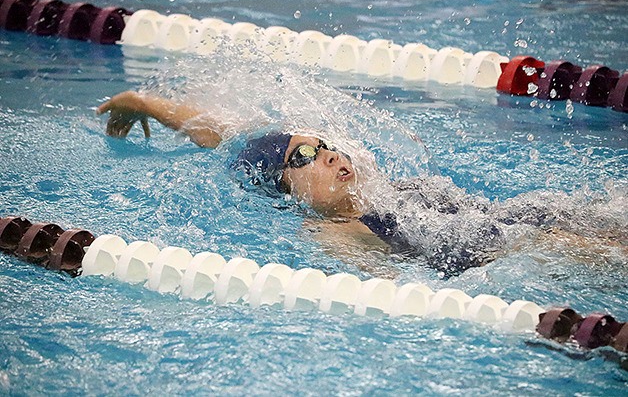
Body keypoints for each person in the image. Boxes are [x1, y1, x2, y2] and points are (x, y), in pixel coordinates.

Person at [97, 91, 626, 278]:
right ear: (285, 189)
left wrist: (145, 103)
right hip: (497, 250)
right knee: (574, 245)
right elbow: (392, 291)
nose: (327, 155)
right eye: (303, 157)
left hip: (513, 213)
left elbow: (224, 135)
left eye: (325, 145)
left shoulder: (388, 192)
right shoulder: (334, 232)